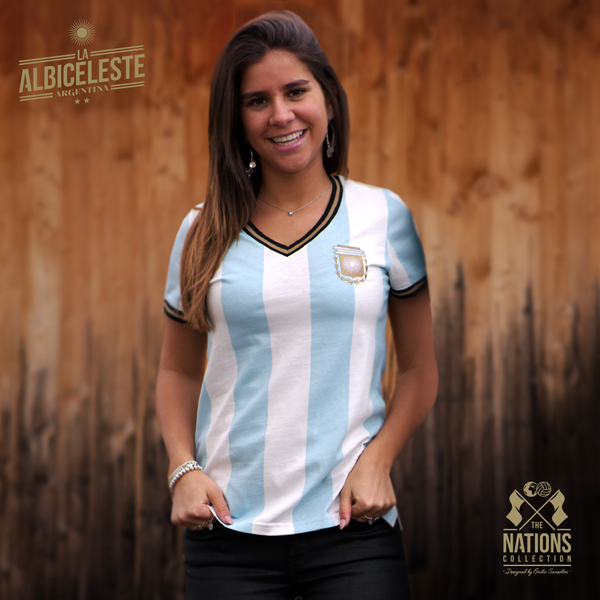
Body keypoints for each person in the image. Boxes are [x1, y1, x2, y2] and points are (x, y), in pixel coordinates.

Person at [156, 10, 438, 600]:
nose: (280, 115)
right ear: (237, 119)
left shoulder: (384, 217)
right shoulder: (201, 232)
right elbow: (177, 371)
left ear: (327, 100)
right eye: (257, 101)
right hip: (228, 534)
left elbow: (419, 368)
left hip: (353, 530)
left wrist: (379, 459)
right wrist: (183, 468)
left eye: (295, 92)